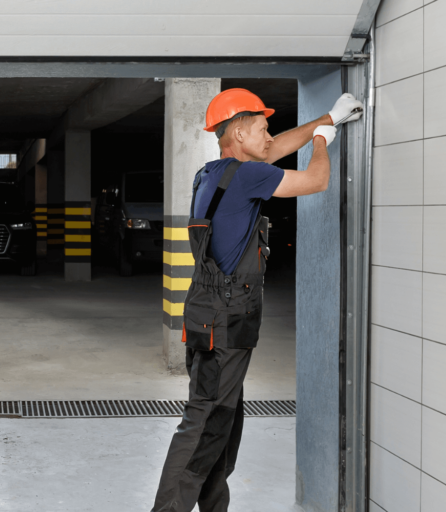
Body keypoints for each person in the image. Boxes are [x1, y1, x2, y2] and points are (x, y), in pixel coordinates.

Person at [151, 88, 363, 512]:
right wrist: (322, 139)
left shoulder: (214, 173)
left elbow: (276, 148)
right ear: (240, 130)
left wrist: (328, 117)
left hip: (213, 318)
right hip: (226, 321)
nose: (270, 138)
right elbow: (316, 180)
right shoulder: (248, 176)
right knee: (206, 423)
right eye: (263, 129)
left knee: (223, 425)